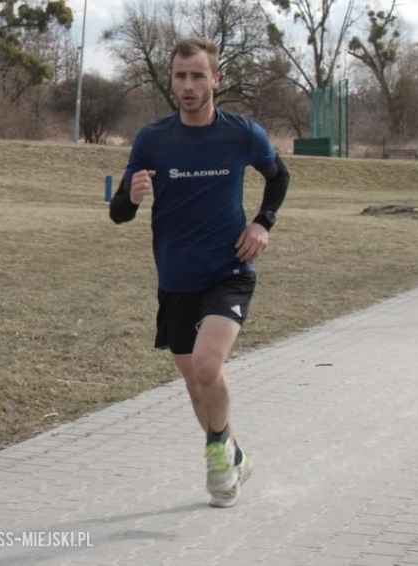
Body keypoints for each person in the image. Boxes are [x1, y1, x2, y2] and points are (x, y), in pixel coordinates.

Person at [109, 37, 290, 507]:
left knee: (209, 366)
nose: (187, 86)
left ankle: (215, 453)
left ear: (215, 79)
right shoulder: (154, 139)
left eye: (196, 75)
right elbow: (118, 214)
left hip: (228, 271)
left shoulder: (242, 133)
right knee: (196, 388)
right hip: (175, 281)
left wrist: (263, 223)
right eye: (179, 76)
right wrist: (131, 194)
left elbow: (279, 176)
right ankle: (233, 453)